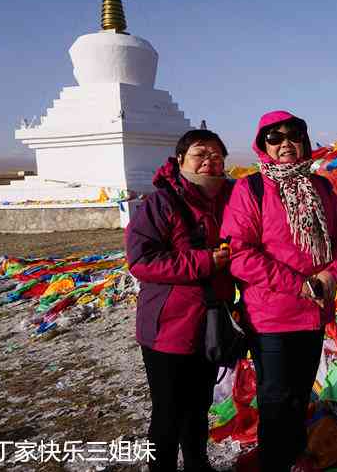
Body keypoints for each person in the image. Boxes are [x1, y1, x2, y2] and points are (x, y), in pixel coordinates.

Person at [221, 110, 337, 471]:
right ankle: (275, 461)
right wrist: (299, 284)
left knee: (299, 393)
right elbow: (239, 255)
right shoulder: (250, 190)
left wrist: (331, 274)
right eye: (274, 138)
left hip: (313, 313)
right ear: (262, 145)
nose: (285, 144)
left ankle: (294, 455)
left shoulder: (321, 187)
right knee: (276, 399)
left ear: (304, 140)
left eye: (293, 135)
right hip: (271, 317)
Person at [126, 129, 234, 472]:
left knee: (199, 404)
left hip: (210, 321)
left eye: (217, 155)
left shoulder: (229, 198)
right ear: (180, 160)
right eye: (200, 154)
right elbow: (141, 261)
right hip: (168, 327)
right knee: (168, 410)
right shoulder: (160, 203)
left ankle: (198, 464)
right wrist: (205, 262)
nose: (209, 161)